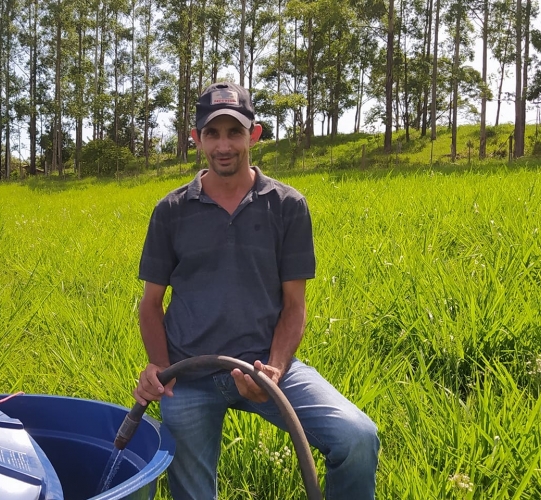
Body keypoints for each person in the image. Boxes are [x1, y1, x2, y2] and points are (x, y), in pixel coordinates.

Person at [133, 81, 380, 499]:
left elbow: (294, 306)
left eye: (234, 132)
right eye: (212, 133)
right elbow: (151, 305)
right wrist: (161, 370)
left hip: (266, 369)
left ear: (255, 134)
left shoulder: (287, 205)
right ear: (196, 139)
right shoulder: (171, 211)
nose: (223, 145)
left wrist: (275, 370)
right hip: (188, 376)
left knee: (357, 437)